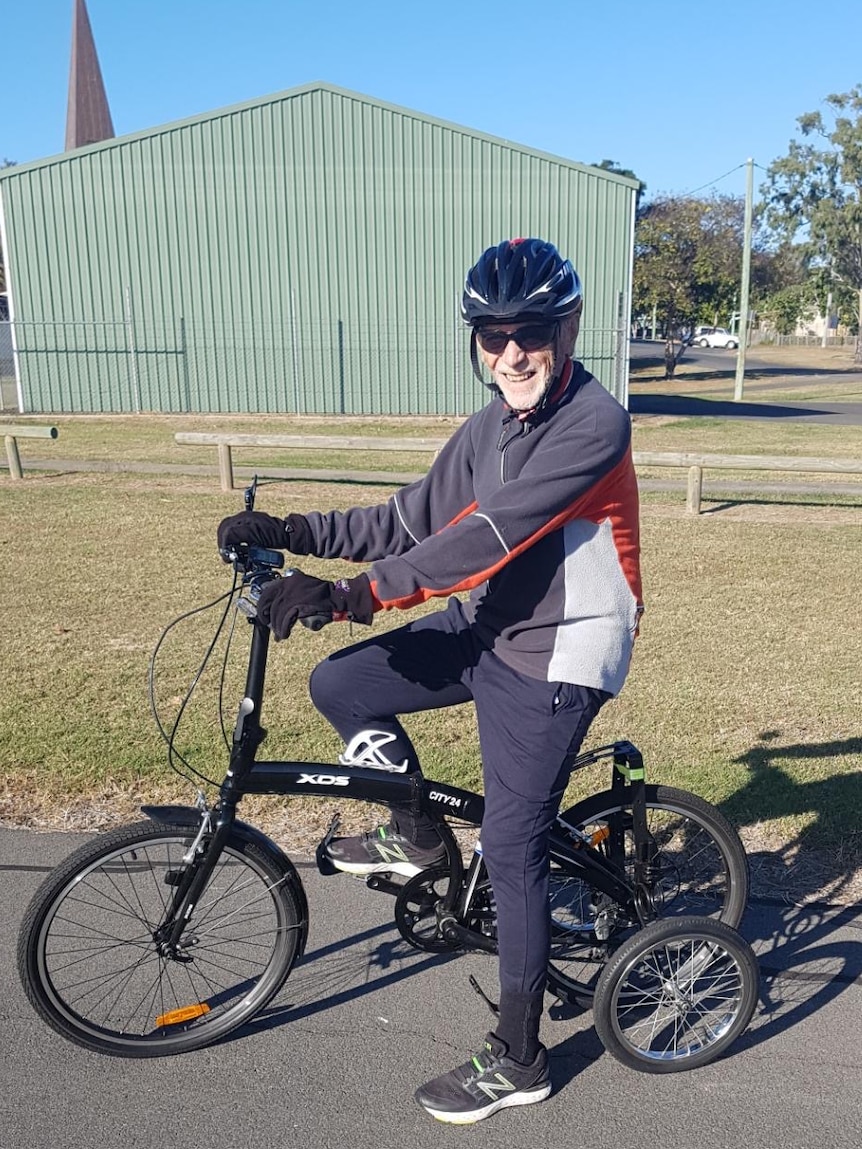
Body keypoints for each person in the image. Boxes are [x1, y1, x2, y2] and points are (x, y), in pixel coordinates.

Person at [217, 237, 643, 1124]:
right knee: (343, 686)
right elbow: (409, 516)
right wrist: (292, 527)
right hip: (487, 622)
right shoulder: (490, 423)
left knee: (514, 848)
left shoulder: (596, 423)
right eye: (491, 335)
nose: (511, 352)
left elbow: (481, 538)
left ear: (567, 330)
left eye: (530, 331)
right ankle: (418, 836)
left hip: (559, 650)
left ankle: (521, 1058)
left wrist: (350, 596)